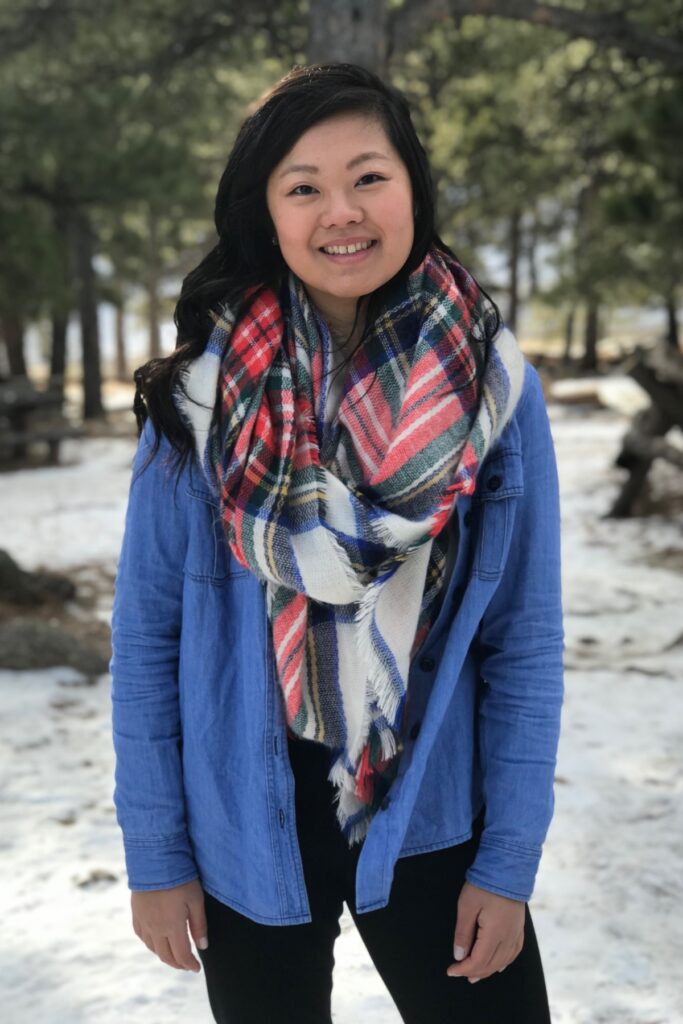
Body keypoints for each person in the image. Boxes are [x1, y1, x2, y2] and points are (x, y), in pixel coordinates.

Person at [110, 62, 564, 1024]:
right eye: (303, 187)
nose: (340, 211)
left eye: (368, 176)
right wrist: (157, 853)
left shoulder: (494, 391)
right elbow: (149, 640)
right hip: (246, 821)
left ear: (412, 189)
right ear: (264, 212)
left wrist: (509, 860)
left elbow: (521, 642)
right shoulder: (197, 401)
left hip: (437, 811)